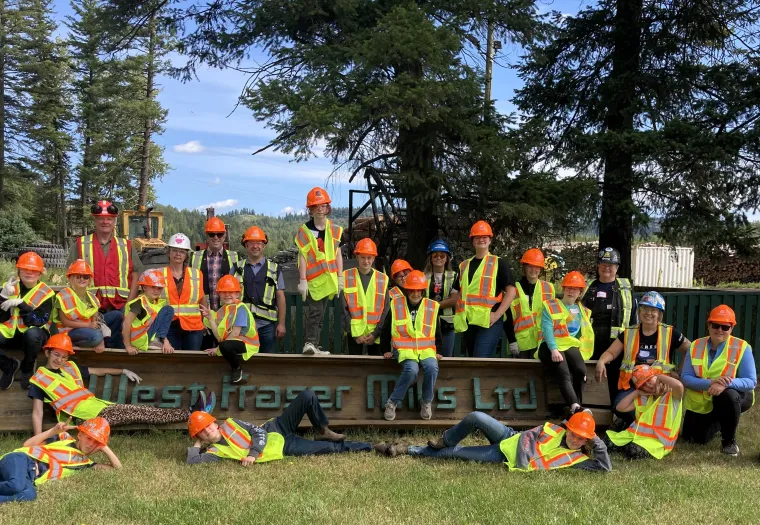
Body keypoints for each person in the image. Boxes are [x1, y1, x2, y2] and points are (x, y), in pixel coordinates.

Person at [28, 333, 213, 435]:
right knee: (142, 412)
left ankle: (193, 414)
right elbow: (37, 412)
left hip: (100, 408)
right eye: (56, 355)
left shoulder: (70, 367)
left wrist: (123, 371)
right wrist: (38, 438)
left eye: (63, 356)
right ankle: (192, 413)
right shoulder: (40, 379)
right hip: (85, 420)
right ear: (47, 353)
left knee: (142, 412)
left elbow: (96, 371)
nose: (59, 360)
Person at [187, 389, 379, 465]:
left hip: (276, 427)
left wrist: (253, 454)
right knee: (331, 449)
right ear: (200, 436)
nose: (208, 430)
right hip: (282, 446)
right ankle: (371, 446)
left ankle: (322, 431)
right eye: (202, 431)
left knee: (307, 396)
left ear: (214, 421)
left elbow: (258, 432)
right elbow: (192, 462)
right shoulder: (215, 452)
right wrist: (197, 443)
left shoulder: (230, 423)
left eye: (208, 425)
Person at [381, 411, 611, 472]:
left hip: (502, 455)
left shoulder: (577, 459)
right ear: (567, 428)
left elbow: (605, 468)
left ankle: (406, 449)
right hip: (510, 437)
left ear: (586, 441)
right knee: (476, 417)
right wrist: (525, 452)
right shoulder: (552, 428)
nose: (575, 438)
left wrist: (597, 441)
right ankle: (445, 439)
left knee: (455, 453)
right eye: (573, 432)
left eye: (581, 437)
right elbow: (528, 439)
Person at [594, 291, 690, 425]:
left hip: (659, 386)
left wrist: (680, 373)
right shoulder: (629, 332)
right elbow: (611, 352)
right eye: (644, 308)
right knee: (618, 407)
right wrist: (601, 361)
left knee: (656, 410)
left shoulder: (670, 333)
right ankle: (639, 423)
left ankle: (639, 424)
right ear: (639, 311)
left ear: (660, 314)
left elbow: (690, 350)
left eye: (653, 310)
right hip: (634, 386)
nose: (648, 312)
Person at [680, 305, 756, 456]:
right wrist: (711, 383)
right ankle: (721, 420)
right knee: (693, 438)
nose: (719, 330)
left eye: (725, 327)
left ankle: (729, 442)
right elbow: (686, 378)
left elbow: (751, 381)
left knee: (727, 396)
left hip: (736, 395)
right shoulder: (695, 345)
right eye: (715, 325)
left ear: (731, 328)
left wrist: (725, 384)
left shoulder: (742, 347)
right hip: (705, 399)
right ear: (709, 325)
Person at [69, 200, 145, 349]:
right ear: (95, 220)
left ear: (114, 221)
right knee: (96, 343)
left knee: (120, 343)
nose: (105, 222)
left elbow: (136, 275)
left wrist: (129, 304)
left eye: (109, 219)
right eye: (101, 218)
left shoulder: (126, 245)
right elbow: (70, 275)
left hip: (120, 306)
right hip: (89, 307)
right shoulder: (81, 244)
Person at [0, 417, 120, 503]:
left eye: (96, 443)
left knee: (30, 495)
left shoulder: (86, 464)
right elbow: (27, 444)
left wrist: (104, 447)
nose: (90, 444)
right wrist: (53, 431)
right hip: (21, 459)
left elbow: (117, 468)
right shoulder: (64, 437)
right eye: (89, 438)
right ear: (80, 435)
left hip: (29, 477)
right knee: (16, 485)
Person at [381, 271, 441, 421]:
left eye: (418, 290)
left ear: (423, 290)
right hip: (404, 349)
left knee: (432, 367)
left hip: (426, 350)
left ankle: (426, 402)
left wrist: (438, 350)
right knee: (411, 370)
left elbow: (437, 331)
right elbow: (386, 328)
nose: (415, 293)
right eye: (412, 290)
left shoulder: (431, 306)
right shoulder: (396, 304)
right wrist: (386, 350)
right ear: (407, 290)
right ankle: (392, 402)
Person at [581, 247, 638, 404]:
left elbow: (634, 318)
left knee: (616, 383)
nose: (607, 267)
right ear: (598, 265)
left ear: (617, 267)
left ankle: (616, 414)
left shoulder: (626, 289)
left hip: (618, 346)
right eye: (603, 264)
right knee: (590, 380)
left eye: (611, 264)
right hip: (591, 345)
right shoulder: (588, 288)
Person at [453, 221, 517, 358]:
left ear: (490, 240)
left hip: (490, 321)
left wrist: (497, 315)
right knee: (472, 360)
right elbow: (457, 294)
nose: (481, 240)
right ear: (472, 241)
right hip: (469, 322)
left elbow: (511, 291)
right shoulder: (464, 265)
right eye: (477, 237)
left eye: (485, 237)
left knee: (480, 358)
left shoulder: (498, 263)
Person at [538, 271, 594, 416]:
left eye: (575, 289)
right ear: (563, 289)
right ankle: (576, 407)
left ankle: (577, 410)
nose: (571, 291)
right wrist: (554, 349)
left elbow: (583, 334)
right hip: (550, 346)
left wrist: (581, 359)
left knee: (581, 372)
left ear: (580, 292)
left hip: (569, 345)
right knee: (564, 373)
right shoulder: (550, 306)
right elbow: (547, 329)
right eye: (568, 287)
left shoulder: (582, 310)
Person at [295, 187, 343, 356]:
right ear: (311, 209)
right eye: (316, 206)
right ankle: (309, 343)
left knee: (321, 315)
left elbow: (338, 254)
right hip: (313, 280)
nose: (320, 209)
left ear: (327, 207)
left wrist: (340, 277)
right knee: (315, 313)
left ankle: (314, 346)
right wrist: (302, 280)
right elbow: (303, 255)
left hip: (328, 280)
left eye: (323, 206)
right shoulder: (305, 230)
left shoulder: (335, 229)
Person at [606, 364, 684, 460]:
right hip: (635, 436)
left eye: (648, 379)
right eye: (643, 385)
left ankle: (625, 437)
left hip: (658, 442)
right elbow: (620, 408)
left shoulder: (672, 395)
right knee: (607, 443)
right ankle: (623, 432)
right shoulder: (644, 397)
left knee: (633, 451)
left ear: (655, 376)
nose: (647, 384)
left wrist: (660, 377)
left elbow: (679, 385)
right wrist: (637, 393)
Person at [0, 252, 53, 390]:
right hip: (10, 333)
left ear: (40, 273)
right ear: (19, 270)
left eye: (34, 270)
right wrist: (3, 296)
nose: (29, 273)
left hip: (33, 337)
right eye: (25, 269)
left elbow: (39, 321)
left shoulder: (46, 293)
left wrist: (21, 304)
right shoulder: (9, 286)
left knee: (32, 335)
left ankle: (27, 368)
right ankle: (8, 366)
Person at [231, 226, 286, 353]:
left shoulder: (275, 269)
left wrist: (281, 324)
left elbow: (281, 297)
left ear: (264, 245)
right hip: (242, 326)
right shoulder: (236, 268)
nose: (255, 246)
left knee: (267, 363)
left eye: (259, 243)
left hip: (266, 326)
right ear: (246, 245)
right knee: (243, 360)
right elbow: (227, 297)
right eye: (251, 243)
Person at [200, 275, 259, 384]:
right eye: (224, 292)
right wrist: (210, 319)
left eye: (230, 292)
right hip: (231, 343)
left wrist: (218, 349)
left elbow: (235, 333)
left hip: (247, 344)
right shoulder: (223, 310)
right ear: (219, 294)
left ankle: (237, 369)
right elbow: (219, 336)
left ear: (237, 294)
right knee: (224, 346)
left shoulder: (240, 308)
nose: (227, 295)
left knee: (225, 346)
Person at [52, 260, 118, 353]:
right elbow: (65, 322)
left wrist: (101, 340)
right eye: (78, 276)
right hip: (68, 332)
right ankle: (73, 344)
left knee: (117, 315)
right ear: (70, 278)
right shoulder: (64, 296)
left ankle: (105, 344)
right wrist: (88, 326)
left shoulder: (92, 298)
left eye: (85, 277)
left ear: (89, 280)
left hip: (88, 328)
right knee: (96, 337)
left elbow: (95, 321)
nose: (82, 279)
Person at [342, 238, 389, 356]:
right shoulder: (346, 276)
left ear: (373, 258)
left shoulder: (382, 279)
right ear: (357, 257)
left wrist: (376, 333)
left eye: (369, 258)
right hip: (354, 333)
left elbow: (386, 309)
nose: (366, 261)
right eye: (362, 257)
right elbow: (343, 309)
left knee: (375, 370)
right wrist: (354, 333)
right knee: (355, 369)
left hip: (375, 334)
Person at [505, 248, 555, 359]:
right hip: (521, 344)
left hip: (542, 342)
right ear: (524, 267)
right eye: (530, 266)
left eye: (537, 266)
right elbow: (507, 317)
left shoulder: (549, 288)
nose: (534, 269)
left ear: (541, 269)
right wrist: (512, 340)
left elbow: (554, 317)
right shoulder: (514, 289)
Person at [162, 233, 206, 351]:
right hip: (168, 326)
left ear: (186, 255)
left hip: (194, 327)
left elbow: (202, 299)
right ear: (168, 252)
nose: (178, 254)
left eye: (181, 251)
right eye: (175, 250)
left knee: (192, 361)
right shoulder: (159, 274)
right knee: (173, 361)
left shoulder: (196, 274)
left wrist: (205, 322)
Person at [190, 216, 241, 312]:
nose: (216, 237)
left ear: (224, 236)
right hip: (203, 311)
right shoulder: (195, 257)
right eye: (212, 234)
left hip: (227, 312)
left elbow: (239, 287)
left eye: (219, 234)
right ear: (207, 236)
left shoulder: (235, 257)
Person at [122, 269, 175, 355]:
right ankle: (156, 340)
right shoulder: (139, 302)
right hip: (139, 339)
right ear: (144, 287)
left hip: (145, 337)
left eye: (159, 288)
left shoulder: (154, 303)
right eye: (153, 287)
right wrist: (128, 346)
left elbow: (159, 326)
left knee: (168, 309)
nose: (156, 290)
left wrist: (166, 343)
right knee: (168, 310)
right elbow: (126, 324)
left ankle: (157, 340)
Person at [423, 238, 459, 357]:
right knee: (427, 356)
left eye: (442, 256)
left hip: (447, 324)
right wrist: (446, 301)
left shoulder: (454, 276)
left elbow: (454, 300)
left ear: (447, 258)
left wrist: (432, 305)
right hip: (426, 323)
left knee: (446, 358)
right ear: (430, 258)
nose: (439, 258)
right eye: (435, 255)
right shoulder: (422, 277)